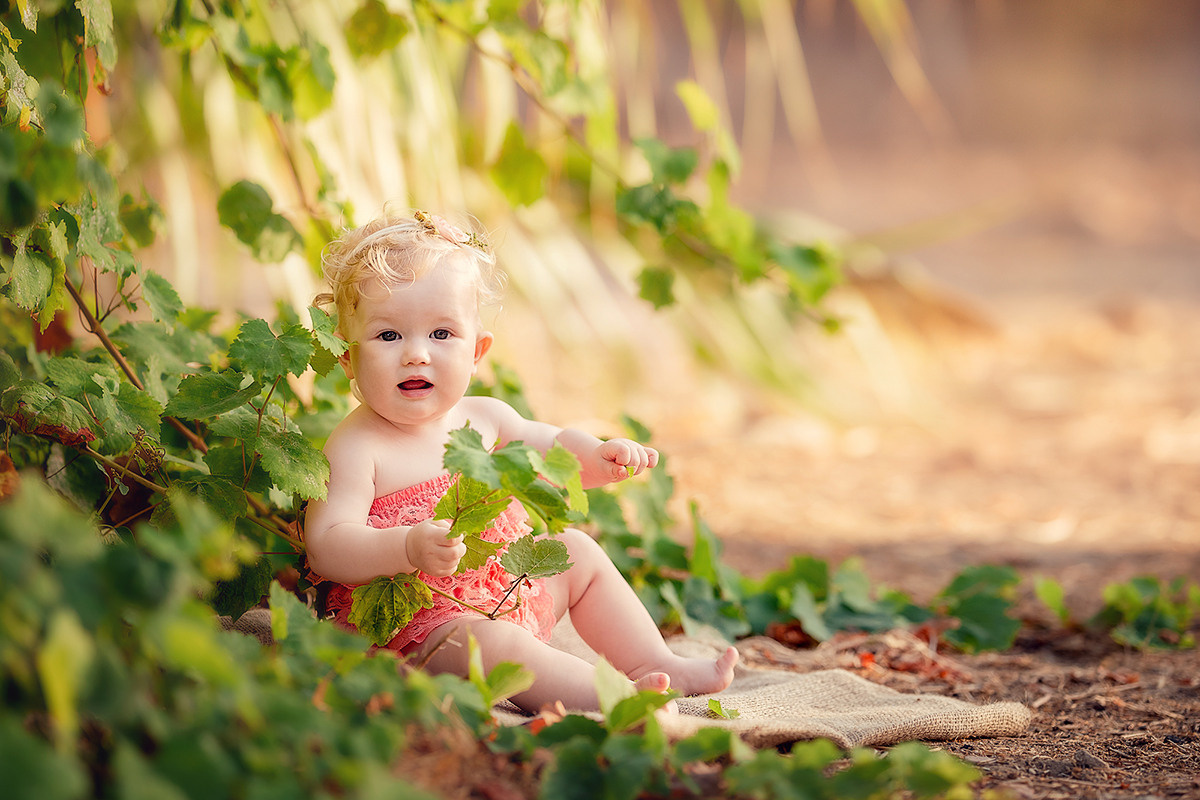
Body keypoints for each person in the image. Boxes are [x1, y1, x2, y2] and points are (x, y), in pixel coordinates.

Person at [303, 209, 738, 712]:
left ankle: (653, 663)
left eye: (442, 335)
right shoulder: (357, 446)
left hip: (506, 589)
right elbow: (327, 546)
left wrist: (597, 458)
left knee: (577, 552)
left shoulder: (485, 419)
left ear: (477, 350)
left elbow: (549, 448)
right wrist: (406, 546)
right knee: (496, 648)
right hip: (421, 631)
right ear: (347, 357)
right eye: (388, 336)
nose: (417, 354)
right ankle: (611, 697)